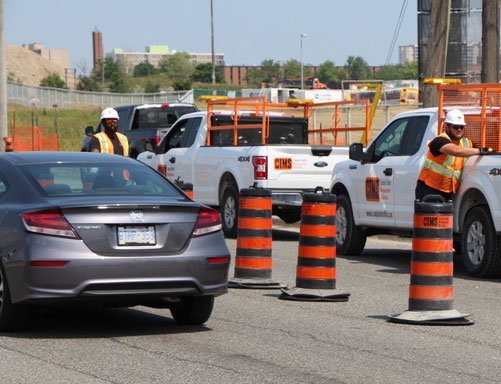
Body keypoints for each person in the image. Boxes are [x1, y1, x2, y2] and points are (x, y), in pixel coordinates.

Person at [415, 109, 493, 201]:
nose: (459, 130)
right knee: (430, 216)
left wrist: (491, 152)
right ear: (447, 127)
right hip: (429, 189)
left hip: (448, 192)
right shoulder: (439, 141)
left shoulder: (466, 143)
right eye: (455, 127)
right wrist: (480, 150)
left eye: (461, 127)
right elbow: (456, 151)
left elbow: (476, 152)